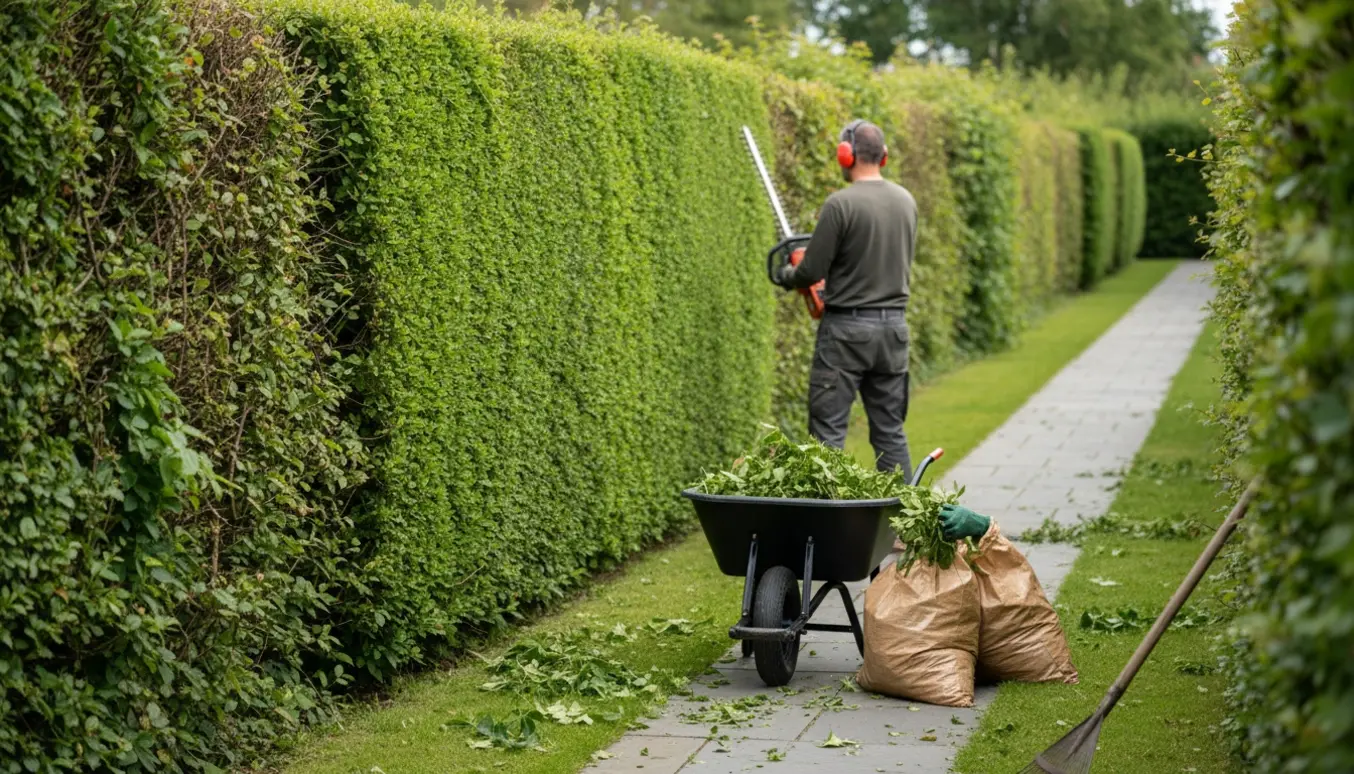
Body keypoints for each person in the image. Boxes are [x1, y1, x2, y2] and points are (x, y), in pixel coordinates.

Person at [774, 119, 918, 476]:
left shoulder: (840, 204)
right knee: (890, 432)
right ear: (883, 156)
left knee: (827, 436)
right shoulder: (906, 201)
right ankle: (902, 525)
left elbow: (811, 270)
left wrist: (788, 274)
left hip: (846, 332)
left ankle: (827, 527)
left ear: (846, 155)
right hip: (894, 330)